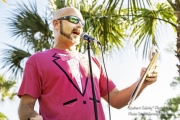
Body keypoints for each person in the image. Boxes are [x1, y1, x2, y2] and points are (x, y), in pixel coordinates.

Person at [17, 7, 158, 120]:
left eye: (81, 23)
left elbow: (116, 99)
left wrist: (142, 82)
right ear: (56, 24)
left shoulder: (94, 62)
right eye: (73, 19)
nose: (79, 25)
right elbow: (25, 106)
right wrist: (32, 117)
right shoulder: (37, 61)